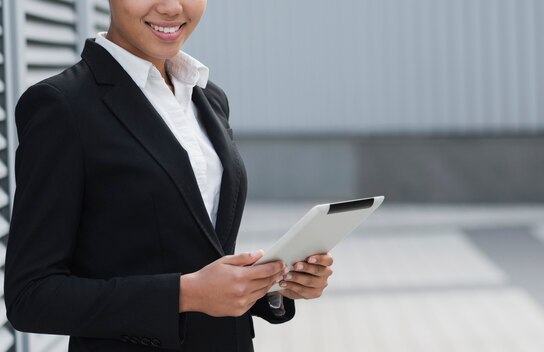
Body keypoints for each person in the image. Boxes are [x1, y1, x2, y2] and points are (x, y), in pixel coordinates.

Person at [4, 1, 333, 351]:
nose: (172, 6)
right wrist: (185, 294)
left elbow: (201, 256)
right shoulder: (61, 106)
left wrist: (270, 286)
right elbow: (30, 297)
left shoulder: (207, 97)